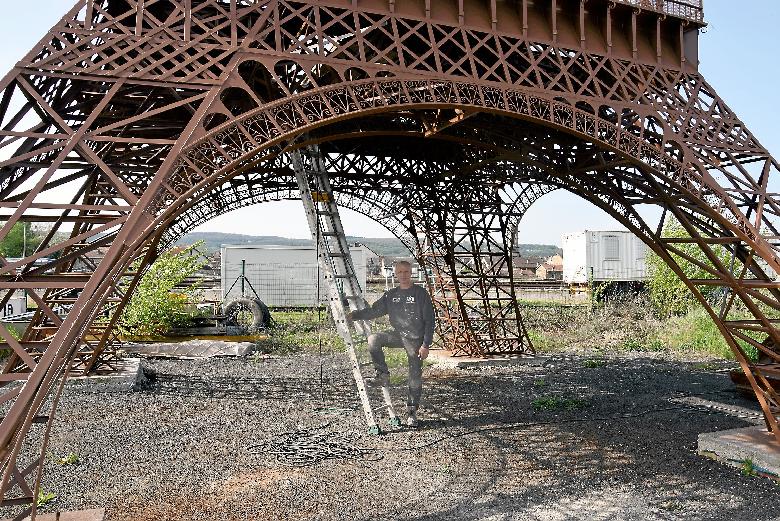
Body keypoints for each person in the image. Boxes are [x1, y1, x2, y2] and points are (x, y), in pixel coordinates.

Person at [347, 260, 435, 427]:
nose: (403, 275)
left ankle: (412, 411)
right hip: (398, 335)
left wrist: (426, 345)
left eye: (406, 272)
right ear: (395, 274)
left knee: (414, 376)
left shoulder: (420, 294)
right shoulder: (391, 295)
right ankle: (382, 375)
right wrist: (355, 315)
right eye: (400, 272)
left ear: (411, 273)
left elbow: (430, 321)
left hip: (415, 340)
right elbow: (375, 311)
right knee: (373, 339)